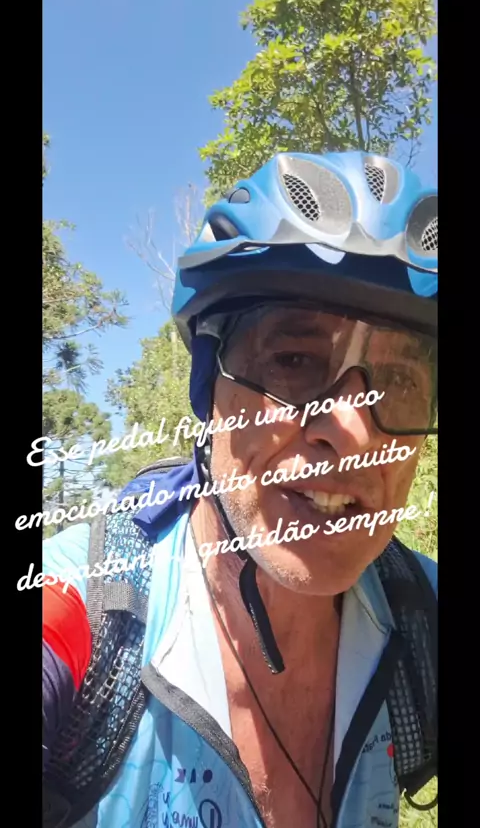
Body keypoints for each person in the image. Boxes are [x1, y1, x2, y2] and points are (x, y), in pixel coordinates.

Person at [42, 150, 438, 828]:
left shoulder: (420, 616)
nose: (352, 433)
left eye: (400, 381)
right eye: (293, 360)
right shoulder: (85, 610)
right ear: (208, 386)